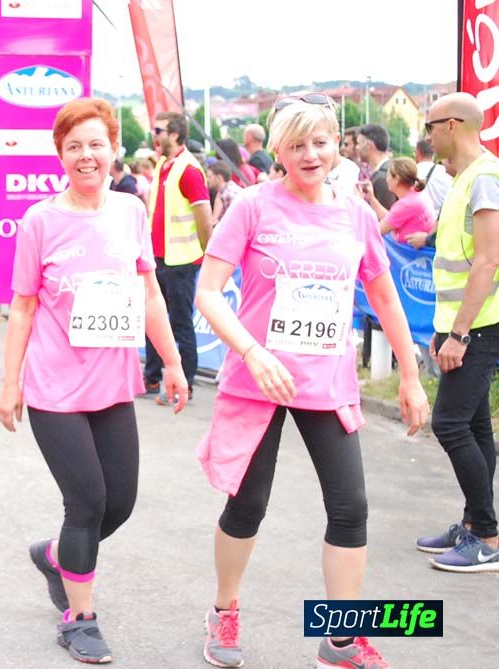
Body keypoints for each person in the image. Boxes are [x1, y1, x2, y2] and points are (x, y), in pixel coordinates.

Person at [194, 95, 428, 668]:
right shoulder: (252, 206)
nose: (310, 154)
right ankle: (224, 609)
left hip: (326, 381)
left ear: (336, 146)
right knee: (247, 506)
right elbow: (208, 292)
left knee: (351, 508)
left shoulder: (354, 214)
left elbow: (384, 296)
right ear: (277, 150)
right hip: (258, 379)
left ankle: (340, 640)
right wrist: (252, 352)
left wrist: (410, 375)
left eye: (320, 142)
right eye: (296, 145)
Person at [0, 97, 188, 665]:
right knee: (86, 501)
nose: (86, 156)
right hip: (54, 386)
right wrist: (10, 384)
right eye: (74, 146)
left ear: (113, 149)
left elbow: (149, 293)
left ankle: (57, 556)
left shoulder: (131, 210)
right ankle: (79, 620)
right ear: (60, 154)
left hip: (113, 385)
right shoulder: (41, 220)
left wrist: (172, 362)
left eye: (96, 144)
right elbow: (23, 307)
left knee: (118, 505)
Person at [416, 92, 499, 572]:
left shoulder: (484, 178)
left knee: (449, 424)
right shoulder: (466, 178)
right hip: (466, 323)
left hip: (480, 326)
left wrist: (460, 334)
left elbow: (487, 261)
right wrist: (445, 328)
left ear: (451, 125)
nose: (427, 136)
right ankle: (474, 523)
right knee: (474, 425)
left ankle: (485, 535)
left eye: (429, 127)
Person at [144, 111, 213, 402]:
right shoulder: (164, 164)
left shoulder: (188, 170)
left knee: (181, 325)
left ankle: (185, 384)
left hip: (181, 261)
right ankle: (151, 378)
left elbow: (204, 218)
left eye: (158, 131)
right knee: (153, 320)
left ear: (174, 134)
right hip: (159, 258)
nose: (154, 135)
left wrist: (208, 255)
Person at [359, 157, 434, 243]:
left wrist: (359, 201)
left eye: (388, 176)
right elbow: (391, 218)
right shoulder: (418, 195)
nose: (386, 179)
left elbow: (375, 231)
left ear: (397, 179)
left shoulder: (406, 204)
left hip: (406, 250)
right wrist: (371, 198)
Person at [357, 124, 398, 211]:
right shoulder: (388, 170)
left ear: (368, 145)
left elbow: (385, 216)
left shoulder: (384, 177)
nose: (356, 148)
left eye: (358, 144)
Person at [415, 138, 452, 218]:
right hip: (443, 218)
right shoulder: (445, 171)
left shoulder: (413, 171)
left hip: (421, 219)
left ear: (417, 153)